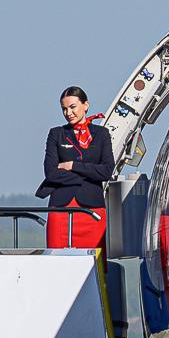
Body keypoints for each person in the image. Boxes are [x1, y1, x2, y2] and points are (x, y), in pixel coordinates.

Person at [39, 86, 115, 249]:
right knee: (57, 260)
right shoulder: (56, 134)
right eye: (64, 109)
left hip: (92, 210)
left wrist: (72, 166)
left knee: (94, 263)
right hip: (61, 209)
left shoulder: (101, 134)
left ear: (85, 105)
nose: (68, 113)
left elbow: (107, 171)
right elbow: (51, 173)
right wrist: (91, 173)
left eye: (72, 107)